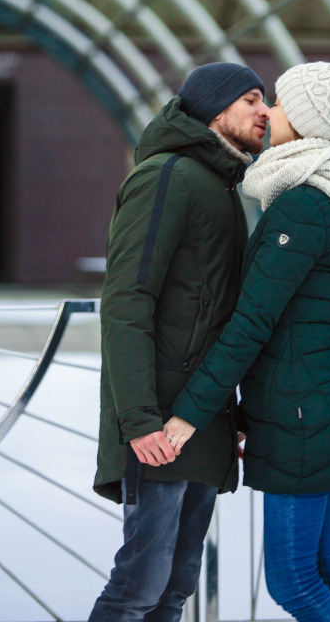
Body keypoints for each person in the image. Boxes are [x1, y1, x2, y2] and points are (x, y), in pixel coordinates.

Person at [164, 50, 330, 622]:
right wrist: (246, 412)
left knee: (294, 583)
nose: (268, 112)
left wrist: (190, 413)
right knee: (325, 568)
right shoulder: (325, 198)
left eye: (278, 102)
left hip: (302, 414)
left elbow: (253, 323)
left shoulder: (303, 207)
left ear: (308, 120)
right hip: (312, 406)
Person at [88, 62, 270, 622]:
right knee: (138, 588)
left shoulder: (219, 183)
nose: (266, 112)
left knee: (175, 587)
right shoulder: (167, 175)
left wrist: (228, 409)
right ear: (216, 111)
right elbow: (127, 299)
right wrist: (139, 418)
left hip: (202, 414)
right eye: (252, 100)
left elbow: (209, 309)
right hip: (159, 420)